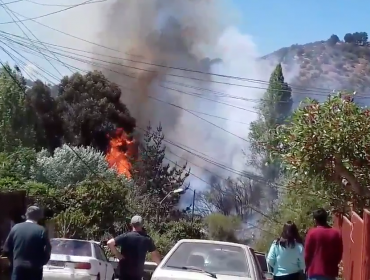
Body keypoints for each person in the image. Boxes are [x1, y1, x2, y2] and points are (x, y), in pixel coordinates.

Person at [3, 205, 51, 280]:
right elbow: (47, 250)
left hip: (18, 268)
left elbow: (7, 249)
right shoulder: (41, 230)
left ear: (26, 215)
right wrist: (41, 263)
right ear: (38, 217)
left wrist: (14, 261)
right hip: (35, 270)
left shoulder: (15, 228)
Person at [107, 215, 161, 280]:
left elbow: (109, 243)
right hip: (137, 274)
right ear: (142, 225)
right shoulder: (147, 239)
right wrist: (160, 266)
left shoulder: (126, 236)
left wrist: (118, 255)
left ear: (131, 224)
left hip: (124, 272)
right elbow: (155, 256)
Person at [305, 208, 342, 280]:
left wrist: (307, 266)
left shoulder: (311, 233)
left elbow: (307, 254)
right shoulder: (335, 233)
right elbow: (339, 254)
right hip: (330, 272)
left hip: (314, 271)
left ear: (315, 220)